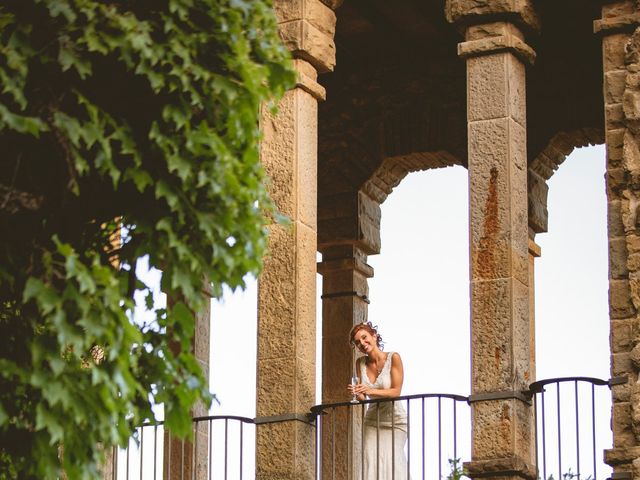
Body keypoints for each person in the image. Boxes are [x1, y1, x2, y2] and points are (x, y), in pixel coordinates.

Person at [347, 321, 409, 479]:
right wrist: (357, 393)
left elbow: (396, 392)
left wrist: (369, 390)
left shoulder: (393, 358)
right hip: (372, 421)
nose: (362, 343)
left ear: (374, 336)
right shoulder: (360, 363)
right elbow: (363, 398)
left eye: (364, 337)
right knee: (370, 463)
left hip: (395, 420)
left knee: (394, 461)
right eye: (358, 342)